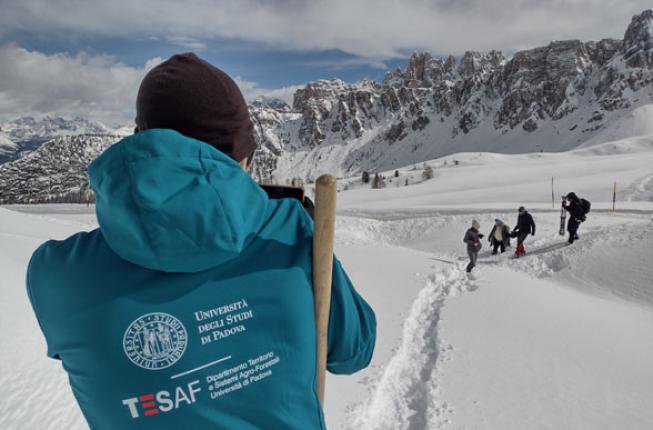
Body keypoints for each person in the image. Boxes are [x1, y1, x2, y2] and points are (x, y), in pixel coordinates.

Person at [25, 53, 376, 430]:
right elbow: (353, 351)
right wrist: (296, 231)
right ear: (240, 159)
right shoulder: (288, 233)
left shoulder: (56, 276)